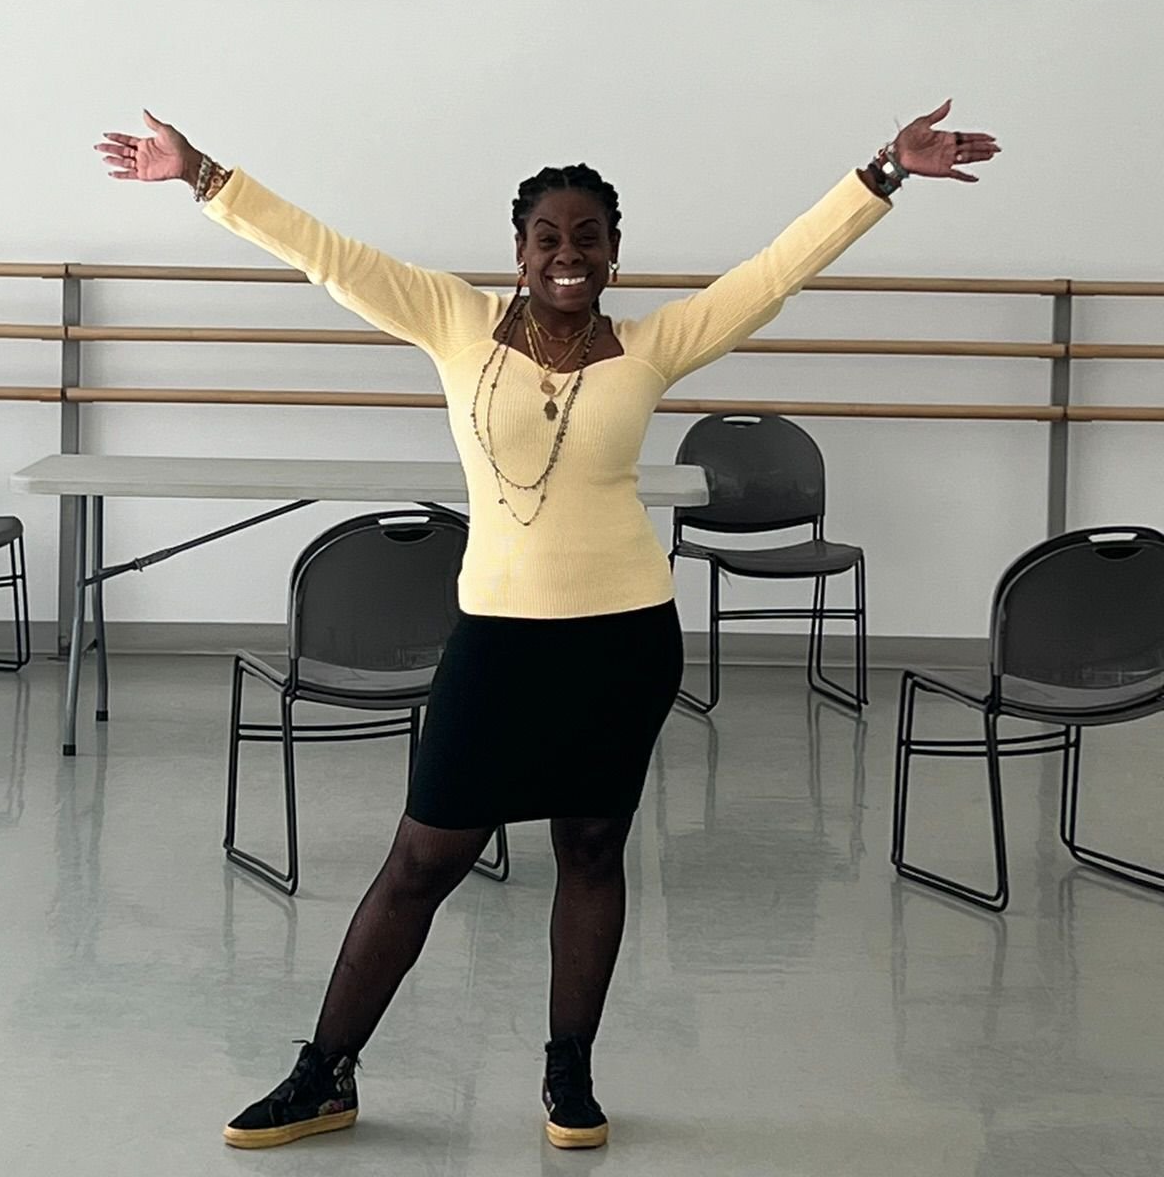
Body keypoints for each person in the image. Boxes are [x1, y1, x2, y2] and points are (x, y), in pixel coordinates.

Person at [94, 104, 1000, 1152]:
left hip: (624, 640)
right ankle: (323, 1073)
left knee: (593, 848)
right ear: (518, 252)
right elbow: (325, 255)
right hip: (499, 638)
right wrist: (201, 173)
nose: (569, 256)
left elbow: (777, 271)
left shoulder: (651, 348)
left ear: (616, 250)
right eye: (549, 239)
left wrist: (885, 170)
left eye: (588, 238)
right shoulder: (451, 320)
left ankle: (569, 1075)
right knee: (423, 860)